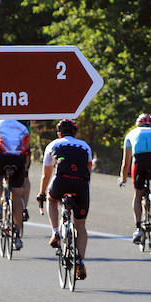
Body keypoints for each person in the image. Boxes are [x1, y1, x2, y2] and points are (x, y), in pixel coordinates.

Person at [37, 119, 92, 281]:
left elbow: (46, 175)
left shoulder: (53, 145)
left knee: (52, 199)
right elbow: (88, 172)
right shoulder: (85, 146)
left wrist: (41, 194)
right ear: (75, 133)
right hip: (81, 185)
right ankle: (80, 261)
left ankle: (55, 232)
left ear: (59, 133)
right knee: (80, 227)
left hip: (61, 181)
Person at [119, 113, 151, 245]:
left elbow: (126, 162)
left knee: (137, 195)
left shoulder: (131, 134)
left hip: (139, 160)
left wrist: (123, 179)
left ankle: (138, 228)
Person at [0, 119, 30, 251]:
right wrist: (24, 171)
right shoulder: (23, 128)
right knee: (17, 196)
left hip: (1, 158)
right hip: (18, 160)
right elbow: (26, 151)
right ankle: (18, 236)